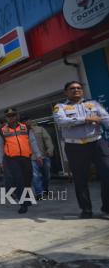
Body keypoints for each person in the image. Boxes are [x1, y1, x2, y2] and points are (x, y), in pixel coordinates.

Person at [53, 81, 109, 219]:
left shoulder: (94, 104)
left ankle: (107, 209)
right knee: (80, 179)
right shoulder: (60, 107)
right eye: (72, 88)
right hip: (74, 146)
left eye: (79, 88)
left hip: (97, 142)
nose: (76, 90)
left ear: (82, 91)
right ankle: (86, 210)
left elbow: (106, 118)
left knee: (107, 173)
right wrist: (86, 119)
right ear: (66, 92)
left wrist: (99, 121)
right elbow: (61, 122)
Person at [0, 108, 43, 214]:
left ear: (17, 116)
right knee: (19, 181)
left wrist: (38, 155)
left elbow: (33, 141)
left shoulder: (25, 127)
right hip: (12, 159)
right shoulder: (2, 131)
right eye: (9, 116)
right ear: (6, 118)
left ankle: (27, 199)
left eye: (13, 115)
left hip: (26, 158)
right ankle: (23, 204)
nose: (11, 117)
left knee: (28, 179)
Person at [21, 116, 54, 199]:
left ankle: (45, 188)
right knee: (35, 176)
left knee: (47, 175)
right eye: (24, 122)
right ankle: (39, 193)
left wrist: (50, 150)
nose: (27, 123)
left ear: (30, 121)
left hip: (44, 155)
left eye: (28, 120)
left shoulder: (40, 129)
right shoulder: (21, 133)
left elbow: (47, 140)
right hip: (31, 158)